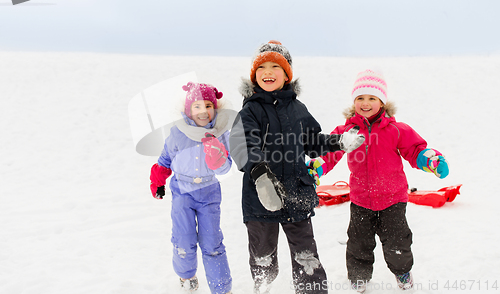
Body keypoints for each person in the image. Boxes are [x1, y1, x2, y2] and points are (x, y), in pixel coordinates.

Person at [229, 40, 365, 294]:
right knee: (263, 254)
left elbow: (313, 142)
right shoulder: (250, 111)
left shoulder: (298, 109)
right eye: (262, 68)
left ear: (287, 74)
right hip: (261, 199)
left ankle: (312, 291)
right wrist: (260, 175)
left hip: (296, 194)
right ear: (254, 75)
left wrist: (339, 142)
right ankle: (265, 285)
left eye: (275, 67)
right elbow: (243, 146)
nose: (268, 72)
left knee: (306, 254)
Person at [306, 69, 450, 292]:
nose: (365, 103)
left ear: (382, 102)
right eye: (360, 98)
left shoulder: (396, 130)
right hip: (361, 199)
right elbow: (331, 152)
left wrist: (430, 161)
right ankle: (359, 277)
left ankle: (402, 273)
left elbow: (415, 150)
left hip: (393, 199)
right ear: (354, 101)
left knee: (397, 243)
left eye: (372, 98)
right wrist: (317, 167)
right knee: (358, 244)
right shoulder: (348, 131)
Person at [149, 82, 233, 294]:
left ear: (215, 108)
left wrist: (218, 158)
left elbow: (225, 169)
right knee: (183, 240)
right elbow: (165, 158)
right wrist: (158, 180)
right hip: (182, 192)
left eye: (208, 105)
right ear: (188, 110)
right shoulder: (178, 132)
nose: (203, 111)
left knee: (212, 243)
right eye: (197, 106)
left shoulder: (221, 132)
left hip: (209, 192)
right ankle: (186, 277)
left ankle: (222, 289)